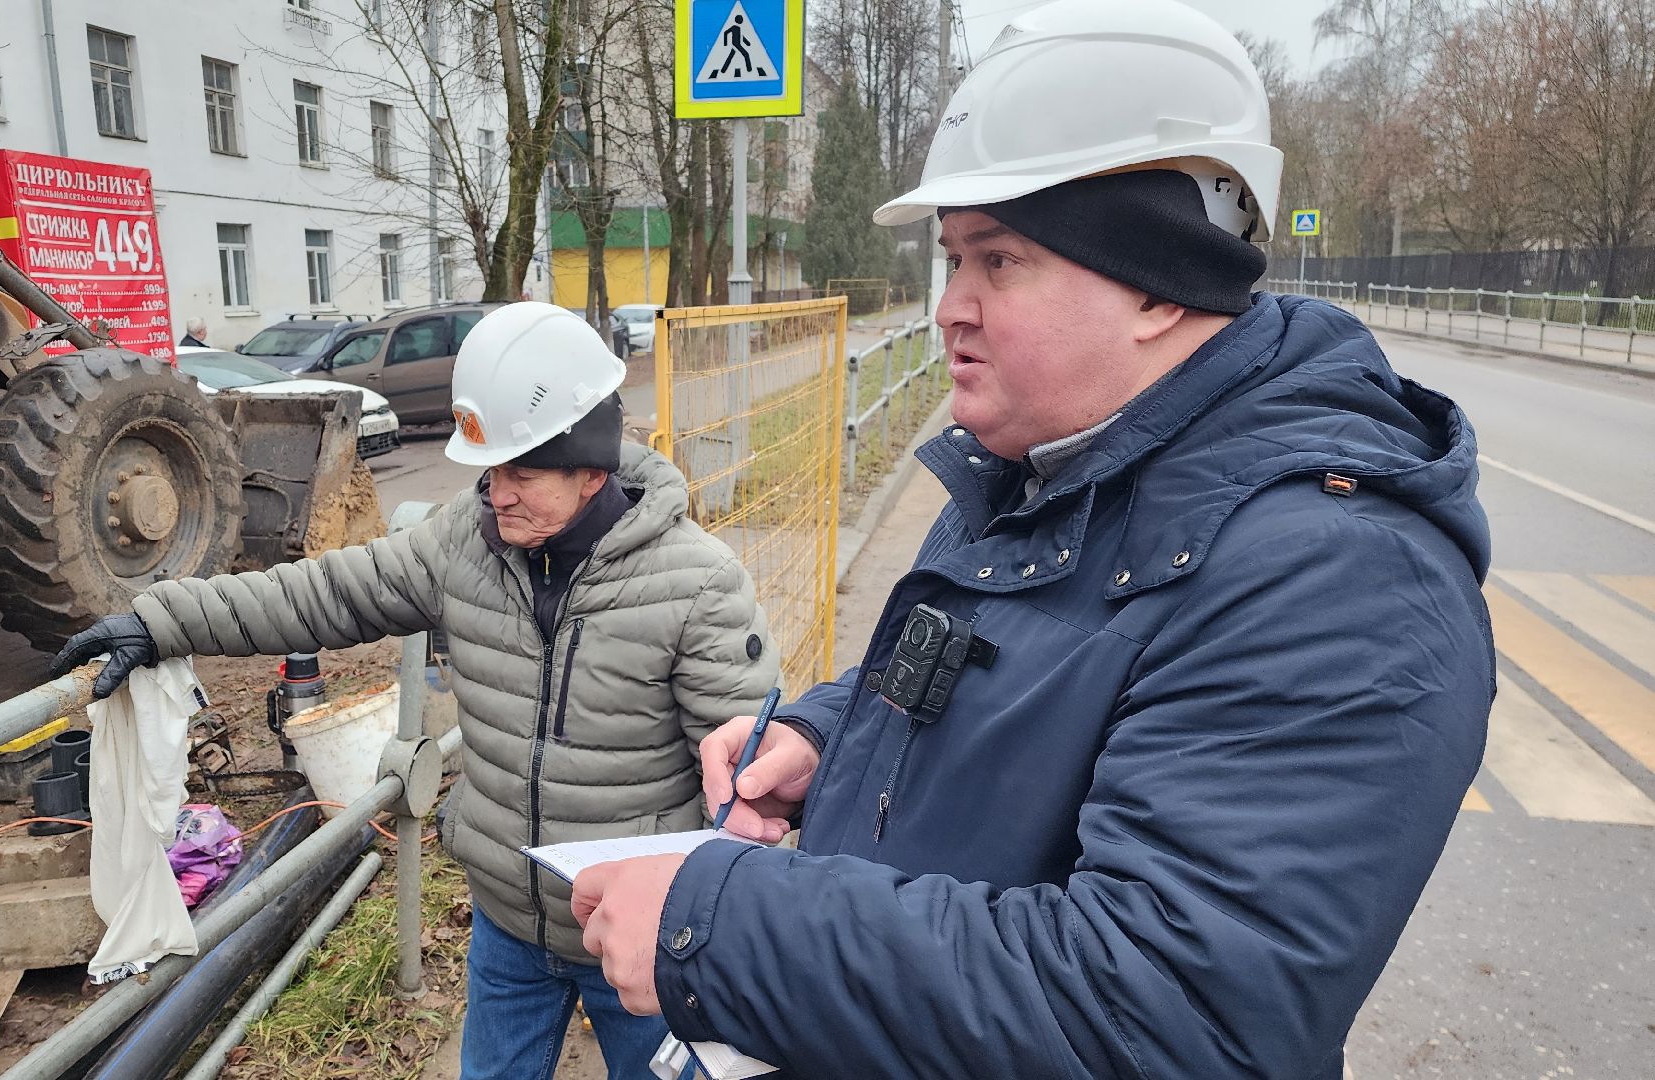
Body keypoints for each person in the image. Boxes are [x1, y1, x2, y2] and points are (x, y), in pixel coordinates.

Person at [568, 2, 1495, 1077]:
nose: (947, 308)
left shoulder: (1337, 579)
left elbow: (1176, 1017)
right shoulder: (1064, 465)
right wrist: (830, 738)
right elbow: (1011, 676)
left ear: (1159, 280)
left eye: (996, 261)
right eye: (952, 259)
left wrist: (722, 927)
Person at [53, 302, 780, 1079]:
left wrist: (708, 942)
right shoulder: (462, 545)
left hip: (641, 931)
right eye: (490, 470)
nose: (496, 494)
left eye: (522, 473)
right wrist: (162, 620)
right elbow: (324, 594)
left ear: (593, 470)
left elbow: (751, 794)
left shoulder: (697, 587)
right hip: (508, 923)